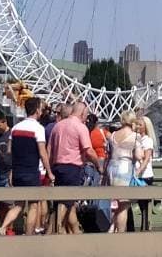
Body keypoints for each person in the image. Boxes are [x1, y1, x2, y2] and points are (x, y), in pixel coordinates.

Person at [0, 97, 54, 236]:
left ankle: (2, 227)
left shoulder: (15, 128)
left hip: (17, 172)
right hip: (31, 172)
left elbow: (9, 151)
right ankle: (29, 235)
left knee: (19, 204)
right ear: (37, 110)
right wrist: (50, 172)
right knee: (33, 205)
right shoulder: (38, 129)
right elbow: (42, 153)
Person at [49, 100, 100, 234]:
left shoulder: (58, 126)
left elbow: (50, 150)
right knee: (66, 201)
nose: (86, 118)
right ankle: (56, 228)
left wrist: (50, 170)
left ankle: (75, 232)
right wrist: (98, 165)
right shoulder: (80, 127)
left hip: (57, 167)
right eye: (86, 114)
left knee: (69, 203)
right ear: (82, 113)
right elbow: (89, 151)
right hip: (72, 168)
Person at [104, 111, 140, 233]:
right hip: (125, 170)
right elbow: (139, 155)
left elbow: (108, 155)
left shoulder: (113, 135)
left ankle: (112, 229)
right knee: (123, 207)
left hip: (112, 170)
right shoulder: (135, 136)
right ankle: (121, 234)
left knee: (114, 204)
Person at [135, 116, 156, 231]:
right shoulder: (137, 139)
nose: (137, 127)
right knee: (140, 203)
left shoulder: (148, 140)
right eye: (137, 124)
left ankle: (145, 227)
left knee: (144, 205)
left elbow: (147, 159)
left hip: (145, 175)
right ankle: (143, 227)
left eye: (140, 125)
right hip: (139, 174)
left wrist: (139, 171)